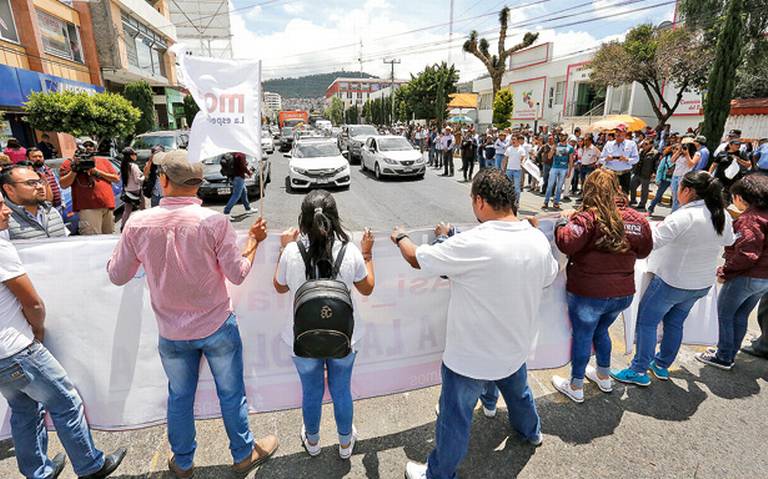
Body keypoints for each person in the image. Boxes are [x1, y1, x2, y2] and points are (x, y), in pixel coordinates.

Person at [107, 150, 279, 477]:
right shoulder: (215, 222)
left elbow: (117, 275)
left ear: (164, 181)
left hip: (171, 332)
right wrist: (254, 241)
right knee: (231, 393)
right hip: (216, 325)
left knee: (179, 397)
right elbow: (238, 273)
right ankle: (243, 454)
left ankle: (183, 462)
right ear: (198, 185)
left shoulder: (138, 223)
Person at [397, 169, 559, 479]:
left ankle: (439, 474)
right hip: (515, 347)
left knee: (454, 418)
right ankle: (532, 432)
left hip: (470, 356)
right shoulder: (536, 239)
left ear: (481, 201)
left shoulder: (475, 242)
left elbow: (419, 258)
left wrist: (400, 237)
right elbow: (550, 274)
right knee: (520, 395)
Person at [0, 192, 127, 479]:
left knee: (23, 411)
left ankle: (38, 472)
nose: (6, 211)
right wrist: (38, 331)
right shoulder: (1, 249)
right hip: (18, 350)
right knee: (66, 403)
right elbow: (32, 303)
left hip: (3, 359)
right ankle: (91, 466)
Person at [273, 190, 375, 459]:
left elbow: (280, 286)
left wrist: (283, 247)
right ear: (335, 219)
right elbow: (367, 289)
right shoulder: (350, 250)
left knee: (312, 391)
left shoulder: (292, 252)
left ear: (303, 221)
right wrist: (367, 255)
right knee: (342, 389)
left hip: (302, 337)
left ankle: (314, 441)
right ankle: (344, 444)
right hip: (344, 336)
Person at [612, 171, 735, 386]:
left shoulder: (684, 216)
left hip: (672, 282)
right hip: (700, 284)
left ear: (687, 190)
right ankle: (661, 365)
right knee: (675, 323)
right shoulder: (721, 215)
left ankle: (638, 369)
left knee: (647, 323)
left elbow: (652, 243)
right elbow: (729, 240)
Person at [550, 169, 652, 403]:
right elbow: (644, 251)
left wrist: (564, 220)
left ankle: (576, 385)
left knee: (584, 335)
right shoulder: (637, 219)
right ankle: (604, 375)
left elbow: (567, 242)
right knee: (601, 331)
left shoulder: (588, 217)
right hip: (622, 293)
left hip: (589, 293)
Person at [696, 174, 768, 369]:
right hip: (763, 279)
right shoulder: (764, 215)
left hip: (746, 276)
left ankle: (724, 356)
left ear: (742, 197)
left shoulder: (749, 220)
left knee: (724, 314)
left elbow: (747, 254)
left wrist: (725, 270)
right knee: (740, 315)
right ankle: (729, 351)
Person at [59, 145, 119, 235]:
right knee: (93, 240)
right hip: (88, 207)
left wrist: (97, 172)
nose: (88, 148)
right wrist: (75, 169)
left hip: (107, 205)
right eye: (85, 146)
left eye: (90, 147)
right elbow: (63, 184)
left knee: (109, 237)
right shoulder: (69, 163)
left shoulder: (103, 161)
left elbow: (116, 179)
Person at [0, 165, 68, 239]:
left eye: (40, 182)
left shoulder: (52, 211)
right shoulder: (4, 220)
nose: (40, 187)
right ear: (9, 189)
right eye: (31, 183)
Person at [599, 125, 639, 194]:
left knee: (624, 195)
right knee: (609, 195)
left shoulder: (631, 144)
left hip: (625, 174)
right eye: (616, 132)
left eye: (620, 132)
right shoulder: (609, 144)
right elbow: (600, 159)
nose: (618, 133)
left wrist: (627, 159)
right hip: (611, 174)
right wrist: (607, 159)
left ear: (625, 133)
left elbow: (636, 159)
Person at [543, 133, 574, 210]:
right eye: (560, 135)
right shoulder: (555, 145)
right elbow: (549, 157)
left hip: (564, 169)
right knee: (550, 185)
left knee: (559, 187)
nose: (561, 137)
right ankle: (546, 202)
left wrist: (569, 171)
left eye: (563, 135)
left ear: (566, 137)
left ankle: (556, 202)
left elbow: (571, 160)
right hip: (554, 167)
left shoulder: (570, 148)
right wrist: (553, 148)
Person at [647, 141, 677, 216]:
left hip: (675, 180)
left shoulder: (681, 159)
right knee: (658, 195)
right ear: (672, 149)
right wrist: (658, 180)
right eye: (675, 149)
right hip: (664, 180)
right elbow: (660, 169)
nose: (676, 151)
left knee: (676, 198)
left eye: (678, 149)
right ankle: (650, 209)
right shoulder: (666, 158)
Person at [223, 152, 255, 220]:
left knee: (244, 192)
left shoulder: (234, 154)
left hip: (234, 177)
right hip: (239, 177)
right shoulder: (241, 155)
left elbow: (237, 166)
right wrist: (249, 173)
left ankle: (248, 208)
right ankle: (226, 212)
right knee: (236, 195)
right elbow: (243, 167)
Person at [629, 139, 659, 211]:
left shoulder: (655, 153)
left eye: (646, 144)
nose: (644, 145)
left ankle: (642, 204)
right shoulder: (640, 151)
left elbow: (656, 164)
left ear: (651, 145)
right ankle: (633, 200)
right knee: (632, 186)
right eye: (643, 143)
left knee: (644, 190)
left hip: (646, 173)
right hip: (637, 172)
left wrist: (654, 173)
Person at [119, 147, 144, 230]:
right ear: (131, 156)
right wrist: (144, 177)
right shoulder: (133, 166)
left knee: (127, 210)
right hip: (136, 190)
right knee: (142, 209)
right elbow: (137, 180)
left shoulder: (123, 165)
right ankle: (143, 225)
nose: (136, 155)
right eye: (135, 154)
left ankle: (123, 226)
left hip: (128, 190)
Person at [670, 139, 698, 211]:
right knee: (674, 197)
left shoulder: (696, 154)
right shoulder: (680, 153)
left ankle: (676, 213)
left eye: (686, 145)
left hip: (683, 177)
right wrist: (679, 151)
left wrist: (687, 154)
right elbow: (672, 160)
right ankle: (674, 212)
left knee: (681, 197)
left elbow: (690, 164)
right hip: (675, 176)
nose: (684, 147)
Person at [502, 135, 526, 206]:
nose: (513, 141)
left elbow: (523, 158)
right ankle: (507, 201)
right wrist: (503, 168)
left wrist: (522, 161)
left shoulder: (521, 149)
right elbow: (505, 159)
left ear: (518, 140)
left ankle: (516, 202)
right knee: (507, 186)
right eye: (512, 139)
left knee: (517, 188)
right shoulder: (509, 149)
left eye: (514, 139)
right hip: (509, 170)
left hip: (517, 171)